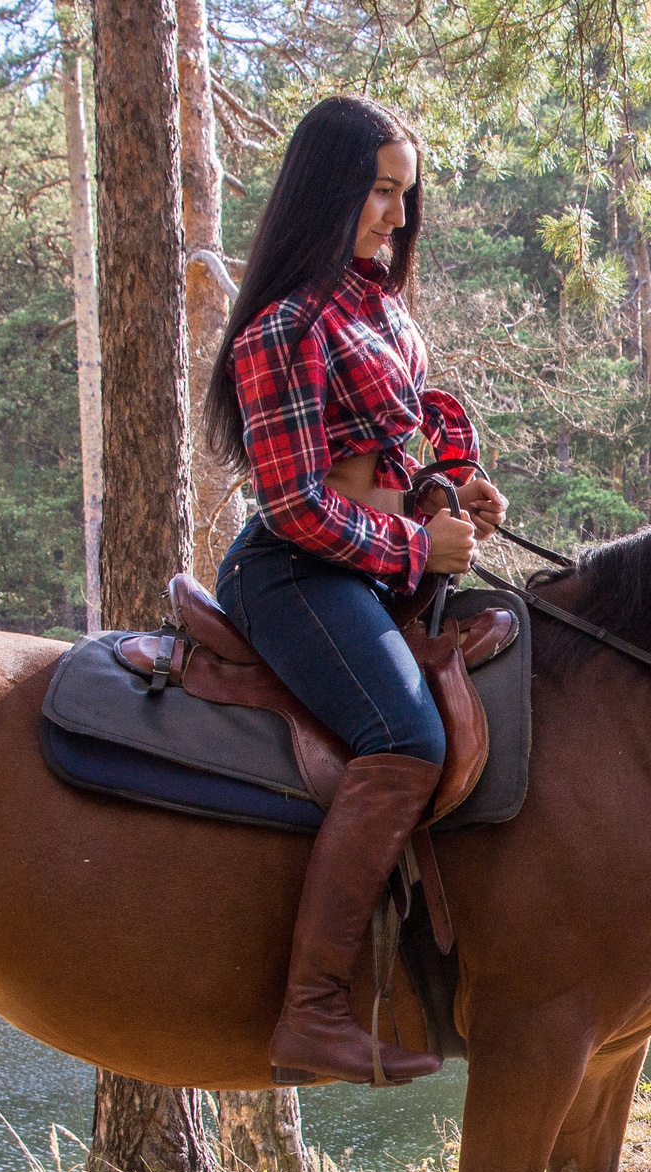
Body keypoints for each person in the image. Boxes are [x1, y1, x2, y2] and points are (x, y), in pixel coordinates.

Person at [203, 96, 505, 1088]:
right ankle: (312, 1012)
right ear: (330, 190)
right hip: (296, 573)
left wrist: (449, 493)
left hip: (373, 561)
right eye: (380, 192)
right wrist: (422, 549)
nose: (395, 216)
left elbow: (387, 448)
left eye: (405, 196)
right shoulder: (283, 329)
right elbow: (294, 506)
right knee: (406, 738)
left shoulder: (377, 309)